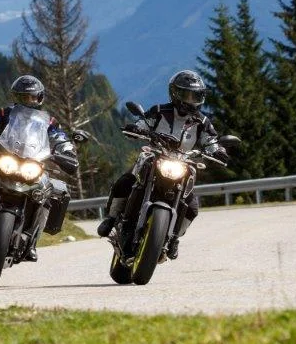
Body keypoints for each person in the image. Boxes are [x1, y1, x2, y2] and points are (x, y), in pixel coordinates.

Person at [96, 69, 228, 259]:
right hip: (156, 156)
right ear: (175, 93)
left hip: (183, 162)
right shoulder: (159, 111)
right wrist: (137, 129)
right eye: (187, 95)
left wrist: (218, 151)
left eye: (195, 96)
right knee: (125, 181)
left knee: (192, 206)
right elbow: (144, 123)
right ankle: (112, 218)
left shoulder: (202, 122)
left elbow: (211, 141)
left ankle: (174, 238)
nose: (191, 100)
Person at [0, 75, 77, 261]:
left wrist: (67, 151)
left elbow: (60, 138)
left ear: (40, 97)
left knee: (47, 193)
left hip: (32, 165)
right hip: (4, 160)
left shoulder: (49, 123)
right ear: (15, 97)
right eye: (22, 97)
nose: (27, 101)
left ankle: (32, 241)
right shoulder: (4, 113)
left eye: (31, 97)